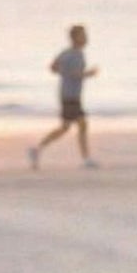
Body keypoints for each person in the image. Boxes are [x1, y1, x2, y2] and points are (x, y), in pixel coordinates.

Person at [28, 24, 100, 170]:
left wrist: (65, 72)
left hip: (70, 95)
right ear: (75, 38)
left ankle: (37, 149)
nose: (86, 38)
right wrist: (89, 74)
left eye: (85, 35)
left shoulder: (73, 53)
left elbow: (54, 68)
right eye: (83, 35)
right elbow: (68, 72)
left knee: (65, 128)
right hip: (69, 96)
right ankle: (86, 159)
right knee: (82, 124)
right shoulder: (71, 54)